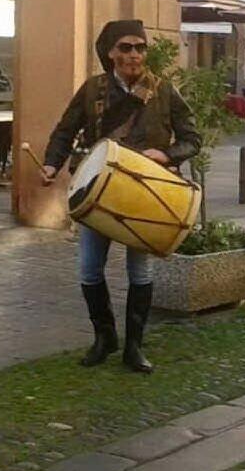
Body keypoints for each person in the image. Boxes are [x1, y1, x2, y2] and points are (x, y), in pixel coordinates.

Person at [42, 19, 202, 373]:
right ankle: (104, 338)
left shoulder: (162, 90)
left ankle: (134, 346)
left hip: (145, 194)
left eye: (140, 48)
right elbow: (64, 132)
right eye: (126, 47)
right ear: (111, 52)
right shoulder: (92, 90)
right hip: (98, 190)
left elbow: (193, 138)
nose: (134, 54)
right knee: (88, 268)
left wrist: (168, 155)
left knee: (139, 270)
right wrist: (52, 164)